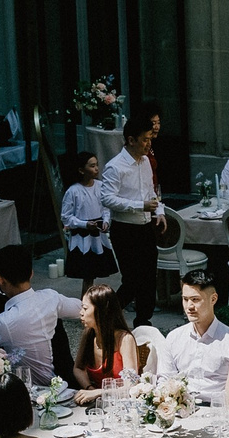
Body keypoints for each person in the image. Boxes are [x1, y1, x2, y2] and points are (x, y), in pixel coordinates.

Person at [0, 242, 86, 387]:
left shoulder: (4, 322)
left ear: (0, 279)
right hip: (59, 382)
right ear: (31, 273)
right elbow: (82, 308)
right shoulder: (50, 298)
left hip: (26, 388)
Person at [99, 111, 165, 328]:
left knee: (148, 278)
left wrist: (159, 211)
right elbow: (107, 198)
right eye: (145, 139)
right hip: (125, 230)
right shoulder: (115, 166)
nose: (149, 144)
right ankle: (107, 315)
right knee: (132, 280)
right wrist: (140, 206)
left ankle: (143, 323)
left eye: (149, 138)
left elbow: (151, 190)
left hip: (146, 226)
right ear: (131, 140)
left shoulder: (145, 161)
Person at [162, 269, 229, 407]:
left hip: (218, 411)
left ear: (213, 299)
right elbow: (165, 379)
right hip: (181, 410)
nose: (189, 306)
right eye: (185, 299)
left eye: (195, 299)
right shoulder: (174, 338)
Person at [70, 284, 141, 395]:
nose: (81, 312)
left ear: (101, 311)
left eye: (85, 308)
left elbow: (131, 384)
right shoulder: (89, 334)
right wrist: (90, 390)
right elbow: (78, 368)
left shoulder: (124, 339)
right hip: (97, 401)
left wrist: (98, 393)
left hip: (121, 402)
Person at [60, 152, 118, 281]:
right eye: (92, 166)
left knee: (95, 272)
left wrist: (106, 221)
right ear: (81, 170)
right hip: (83, 236)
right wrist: (84, 224)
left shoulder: (100, 186)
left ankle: (89, 297)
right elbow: (65, 217)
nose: (96, 168)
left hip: (98, 234)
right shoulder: (73, 191)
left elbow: (105, 207)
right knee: (87, 274)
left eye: (97, 165)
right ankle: (85, 298)